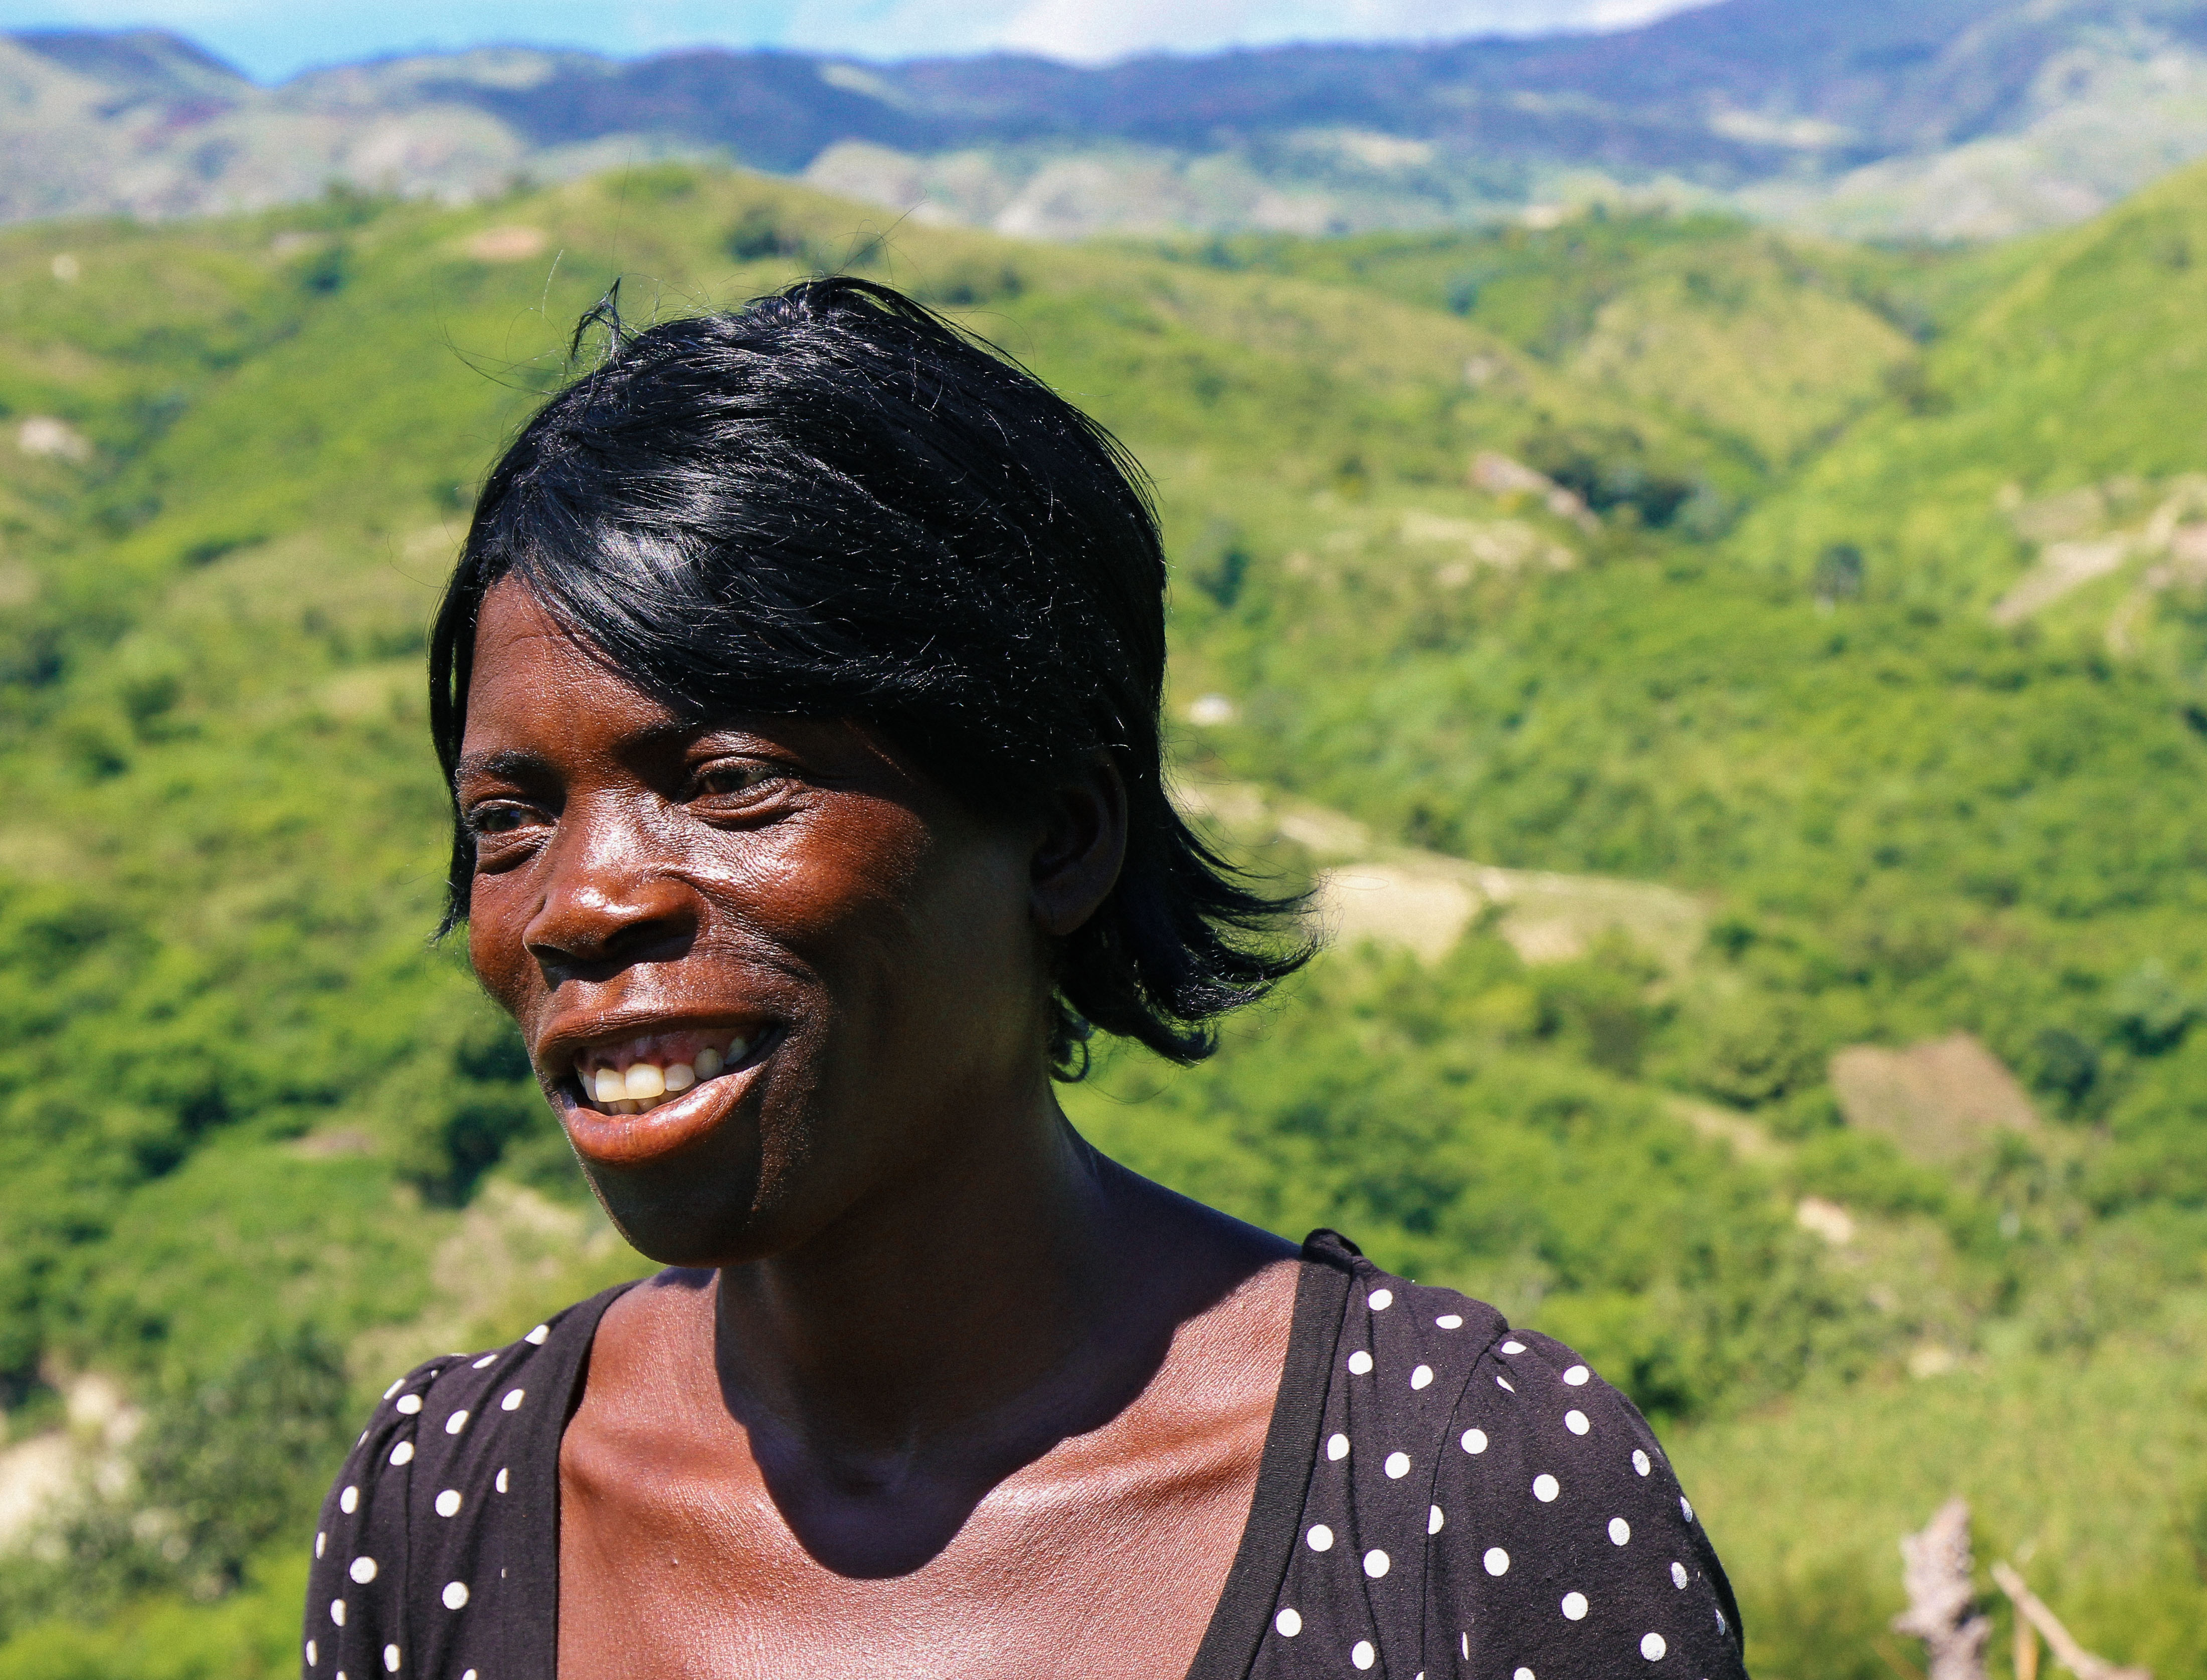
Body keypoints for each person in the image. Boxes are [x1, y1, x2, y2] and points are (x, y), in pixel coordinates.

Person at [303, 277, 1749, 1680]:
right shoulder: (446, 1506)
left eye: (731, 781)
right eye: (509, 818)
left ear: (1061, 837)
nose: (581, 902)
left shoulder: (1462, 1501)